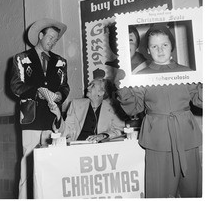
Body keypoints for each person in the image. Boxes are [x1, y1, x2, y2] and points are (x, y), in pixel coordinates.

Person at [115, 24, 203, 198]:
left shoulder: (187, 72)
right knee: (158, 193)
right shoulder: (141, 77)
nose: (160, 50)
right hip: (157, 140)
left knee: (193, 192)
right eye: (154, 46)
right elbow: (134, 107)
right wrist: (122, 88)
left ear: (172, 46)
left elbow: (200, 101)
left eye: (164, 45)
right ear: (148, 50)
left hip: (186, 137)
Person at [10, 18, 70, 199]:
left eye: (55, 39)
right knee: (28, 165)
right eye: (50, 37)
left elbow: (65, 86)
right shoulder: (22, 58)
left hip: (52, 118)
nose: (52, 41)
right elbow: (16, 86)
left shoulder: (60, 61)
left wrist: (59, 96)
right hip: (31, 118)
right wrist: (38, 92)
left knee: (52, 162)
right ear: (40, 35)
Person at [49, 78, 125, 143]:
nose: (88, 88)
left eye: (92, 86)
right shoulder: (75, 104)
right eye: (89, 85)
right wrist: (58, 116)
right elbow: (67, 131)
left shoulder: (113, 108)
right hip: (78, 147)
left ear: (101, 92)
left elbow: (120, 130)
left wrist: (103, 135)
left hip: (102, 150)